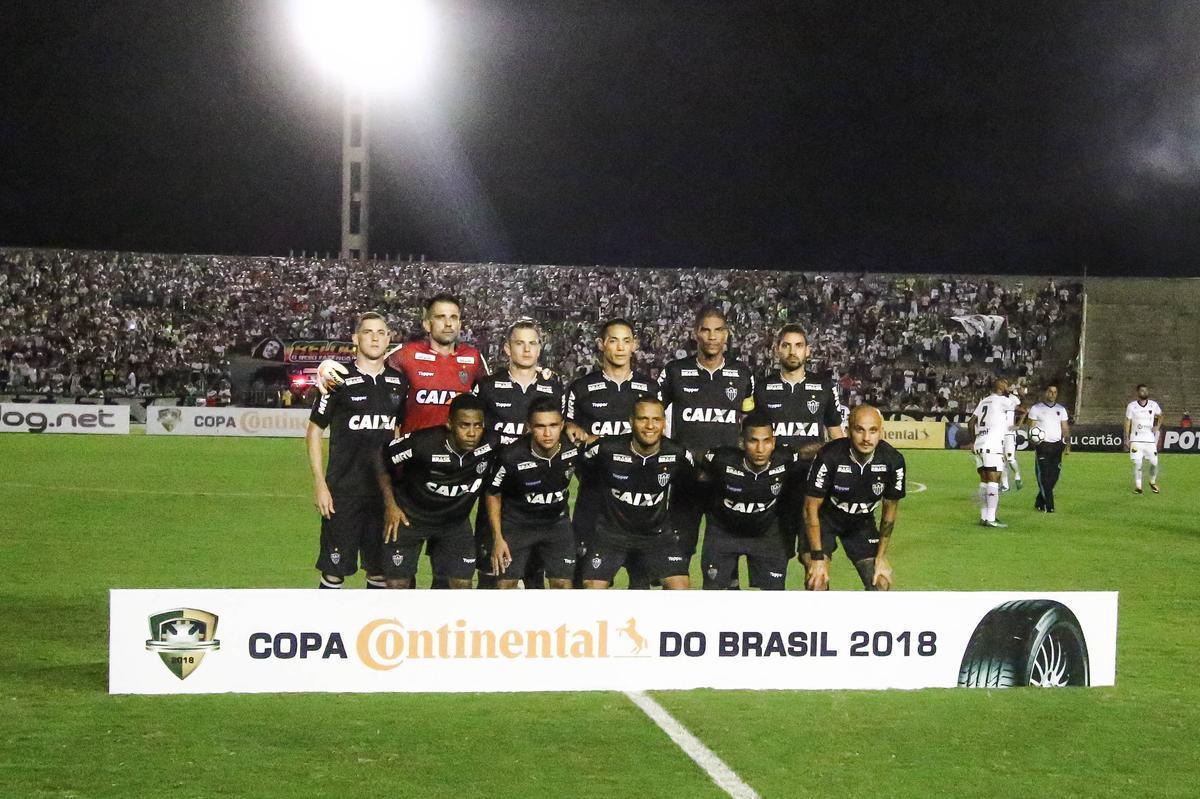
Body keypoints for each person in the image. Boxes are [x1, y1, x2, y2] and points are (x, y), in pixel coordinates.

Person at [306, 312, 409, 590]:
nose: (375, 338)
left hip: (383, 494)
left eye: (380, 332)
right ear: (355, 338)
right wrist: (320, 484)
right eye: (367, 332)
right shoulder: (337, 378)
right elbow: (315, 430)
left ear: (389, 339)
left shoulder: (399, 383)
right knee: (334, 571)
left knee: (378, 572)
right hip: (343, 491)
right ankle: (328, 631)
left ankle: (369, 632)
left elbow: (398, 433)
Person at [656, 307, 755, 573]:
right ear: (696, 334)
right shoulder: (675, 371)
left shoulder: (742, 374)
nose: (712, 337)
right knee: (677, 555)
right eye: (705, 330)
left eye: (718, 330)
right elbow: (651, 414)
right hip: (685, 479)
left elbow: (751, 423)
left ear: (727, 335)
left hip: (726, 481)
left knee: (724, 559)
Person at [472, 319, 563, 588]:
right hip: (496, 493)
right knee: (490, 575)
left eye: (532, 343)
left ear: (540, 348)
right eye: (519, 343)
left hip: (535, 497)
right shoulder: (487, 387)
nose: (526, 349)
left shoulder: (554, 388)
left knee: (533, 578)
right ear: (506, 349)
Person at [564, 319, 655, 586]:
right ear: (601, 345)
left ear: (634, 346)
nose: (620, 347)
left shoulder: (649, 390)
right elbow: (568, 430)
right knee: (587, 580)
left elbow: (659, 438)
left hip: (638, 499)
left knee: (641, 582)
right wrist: (572, 428)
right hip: (594, 496)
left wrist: (600, 440)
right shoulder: (580, 389)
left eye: (626, 341)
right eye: (613, 340)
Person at [319, 293, 488, 434]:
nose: (448, 323)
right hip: (413, 461)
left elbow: (492, 397)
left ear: (460, 323)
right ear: (427, 324)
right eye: (440, 317)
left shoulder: (473, 358)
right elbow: (369, 370)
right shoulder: (406, 354)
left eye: (454, 317)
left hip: (457, 462)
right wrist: (328, 369)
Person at [377, 394, 497, 588]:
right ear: (449, 424)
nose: (472, 433)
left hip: (454, 523)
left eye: (478, 425)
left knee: (461, 585)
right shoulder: (423, 443)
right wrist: (390, 505)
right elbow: (381, 459)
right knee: (397, 587)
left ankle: (446, 619)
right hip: (410, 519)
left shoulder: (490, 443)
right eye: (464, 425)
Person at [753, 324, 845, 576]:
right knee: (773, 566)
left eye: (798, 346)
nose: (792, 351)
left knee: (816, 563)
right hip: (774, 487)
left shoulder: (824, 387)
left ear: (808, 351)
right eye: (786, 345)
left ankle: (816, 615)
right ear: (776, 350)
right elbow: (749, 435)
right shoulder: (761, 388)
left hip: (811, 488)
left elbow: (837, 436)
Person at [579, 395, 694, 589]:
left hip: (656, 536)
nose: (650, 426)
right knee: (592, 587)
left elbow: (690, 490)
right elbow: (582, 470)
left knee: (681, 588)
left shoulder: (678, 454)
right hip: (611, 535)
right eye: (643, 419)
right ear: (631, 421)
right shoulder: (606, 449)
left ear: (664, 423)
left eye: (656, 420)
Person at [803, 405, 906, 591]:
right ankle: (819, 619)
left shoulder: (893, 460)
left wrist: (881, 557)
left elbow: (889, 512)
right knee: (817, 582)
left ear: (881, 432)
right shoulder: (829, 456)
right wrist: (817, 558)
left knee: (880, 583)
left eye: (873, 431)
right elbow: (810, 508)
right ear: (849, 431)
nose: (866, 438)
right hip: (825, 520)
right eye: (860, 430)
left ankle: (870, 621)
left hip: (861, 524)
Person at [698, 412, 803, 590]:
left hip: (766, 535)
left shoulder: (786, 459)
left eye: (766, 441)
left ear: (774, 442)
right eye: (753, 441)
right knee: (713, 596)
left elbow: (810, 455)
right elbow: (696, 465)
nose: (760, 449)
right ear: (741, 442)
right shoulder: (721, 460)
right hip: (724, 534)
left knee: (774, 600)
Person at [485, 396, 578, 589]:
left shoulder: (573, 448)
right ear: (529, 427)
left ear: (562, 426)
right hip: (518, 525)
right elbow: (493, 493)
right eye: (540, 426)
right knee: (505, 585)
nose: (547, 433)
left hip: (556, 524)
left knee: (563, 585)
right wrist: (498, 538)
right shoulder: (511, 456)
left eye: (553, 425)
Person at [968, 378, 1017, 528]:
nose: (1008, 386)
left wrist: (973, 441)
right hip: (993, 446)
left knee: (984, 481)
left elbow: (971, 422)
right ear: (1001, 387)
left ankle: (984, 517)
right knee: (994, 480)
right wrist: (1013, 393)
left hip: (979, 445)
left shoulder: (984, 401)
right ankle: (990, 518)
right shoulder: (1002, 400)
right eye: (1006, 384)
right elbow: (1021, 408)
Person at [1026, 383, 1070, 513]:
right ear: (1046, 393)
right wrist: (1034, 441)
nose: (1052, 394)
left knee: (1054, 476)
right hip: (1043, 445)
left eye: (1055, 392)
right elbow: (1031, 427)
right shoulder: (1036, 409)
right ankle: (1049, 506)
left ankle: (1039, 501)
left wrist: (1067, 445)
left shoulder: (1061, 409)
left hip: (1057, 446)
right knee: (1044, 476)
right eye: (1050, 391)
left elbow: (1065, 428)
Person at [1124, 384, 1163, 495]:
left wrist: (1158, 426)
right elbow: (1127, 422)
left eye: (1145, 390)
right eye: (1141, 390)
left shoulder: (1153, 405)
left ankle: (1152, 482)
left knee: (1154, 462)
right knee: (1137, 463)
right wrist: (1127, 438)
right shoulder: (1131, 406)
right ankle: (1138, 487)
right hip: (1136, 439)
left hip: (1149, 439)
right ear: (1137, 392)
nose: (1144, 392)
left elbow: (1161, 415)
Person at [1000, 384, 1026, 492]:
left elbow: (1024, 411)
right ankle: (1005, 486)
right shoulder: (997, 400)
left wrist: (1018, 425)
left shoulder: (1013, 400)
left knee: (1010, 458)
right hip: (999, 434)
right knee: (1001, 461)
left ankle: (1017, 477)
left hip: (1009, 434)